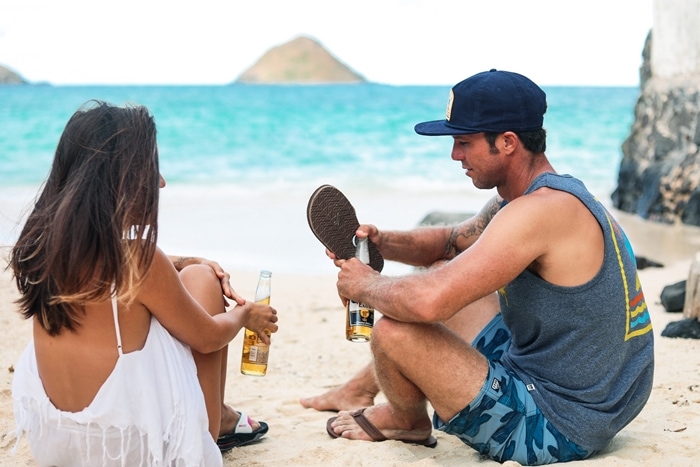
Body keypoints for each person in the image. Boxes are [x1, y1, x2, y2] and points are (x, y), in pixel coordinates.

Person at [313, 70, 654, 465]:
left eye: (464, 142)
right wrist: (382, 241)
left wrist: (364, 284)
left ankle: (406, 421)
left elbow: (427, 304)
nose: (455, 155)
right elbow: (451, 241)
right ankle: (359, 388)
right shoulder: (542, 196)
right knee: (445, 270)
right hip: (591, 397)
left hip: (557, 423)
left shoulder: (539, 213)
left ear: (508, 142)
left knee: (395, 329)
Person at [8, 101, 279, 466]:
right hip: (129, 452)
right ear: (121, 176)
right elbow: (210, 337)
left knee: (190, 275)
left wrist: (184, 261)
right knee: (202, 282)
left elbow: (118, 265)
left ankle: (226, 413)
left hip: (59, 444)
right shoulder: (139, 259)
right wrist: (247, 314)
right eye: (151, 167)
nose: (161, 181)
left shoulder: (39, 245)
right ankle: (218, 422)